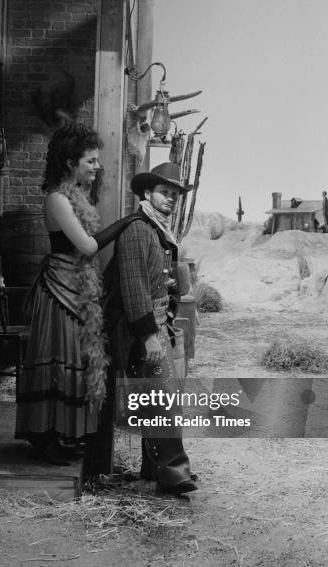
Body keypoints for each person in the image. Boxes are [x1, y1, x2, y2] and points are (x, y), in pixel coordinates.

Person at [15, 123, 126, 465]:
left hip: (78, 288)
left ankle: (63, 434)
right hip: (58, 290)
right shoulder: (57, 198)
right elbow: (87, 245)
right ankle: (43, 436)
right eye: (90, 160)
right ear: (69, 163)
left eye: (97, 160)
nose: (97, 166)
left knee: (75, 361)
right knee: (56, 360)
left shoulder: (76, 196)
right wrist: (127, 222)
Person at [104, 162, 198, 495]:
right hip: (138, 328)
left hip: (158, 322)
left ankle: (156, 467)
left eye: (174, 194)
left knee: (158, 398)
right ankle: (174, 472)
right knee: (163, 400)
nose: (171, 199)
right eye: (164, 193)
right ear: (147, 193)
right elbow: (133, 287)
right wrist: (147, 335)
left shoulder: (157, 230)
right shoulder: (137, 230)